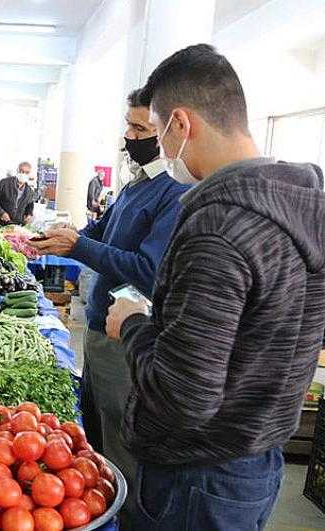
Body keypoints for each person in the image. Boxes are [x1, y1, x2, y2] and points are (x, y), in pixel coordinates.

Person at [106, 44, 325, 531]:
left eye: (158, 131)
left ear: (180, 124)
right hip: (256, 458)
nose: (160, 149)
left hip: (195, 474)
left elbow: (183, 397)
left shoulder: (220, 227)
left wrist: (135, 325)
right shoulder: (304, 205)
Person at [30, 87, 188, 526]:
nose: (129, 137)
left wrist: (80, 245)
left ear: (171, 130)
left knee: (123, 451)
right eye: (129, 126)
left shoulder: (173, 193)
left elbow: (148, 269)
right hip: (100, 332)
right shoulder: (138, 184)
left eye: (140, 128)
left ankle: (125, 520)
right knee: (97, 440)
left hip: (127, 339)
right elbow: (103, 231)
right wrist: (64, 236)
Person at [0, 162, 36, 226]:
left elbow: (30, 204)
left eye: (26, 172)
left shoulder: (29, 191)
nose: (23, 174)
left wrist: (29, 214)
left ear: (29, 174)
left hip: (14, 225)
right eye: (21, 171)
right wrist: (1, 213)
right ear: (17, 171)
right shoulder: (4, 183)